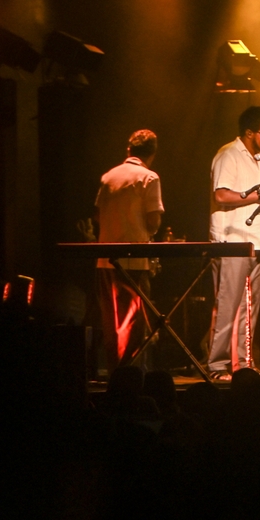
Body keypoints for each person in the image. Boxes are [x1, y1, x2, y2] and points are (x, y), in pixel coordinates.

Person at [207, 106, 260, 379]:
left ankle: (243, 364)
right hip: (233, 241)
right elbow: (221, 195)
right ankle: (217, 366)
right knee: (228, 306)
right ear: (249, 133)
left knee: (249, 310)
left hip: (258, 241)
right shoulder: (229, 154)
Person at [94, 129, 164, 373]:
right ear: (152, 154)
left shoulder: (108, 177)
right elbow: (153, 221)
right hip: (133, 261)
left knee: (110, 322)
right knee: (133, 324)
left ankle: (114, 373)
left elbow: (97, 215)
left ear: (129, 150)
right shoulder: (149, 178)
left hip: (104, 260)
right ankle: (130, 377)